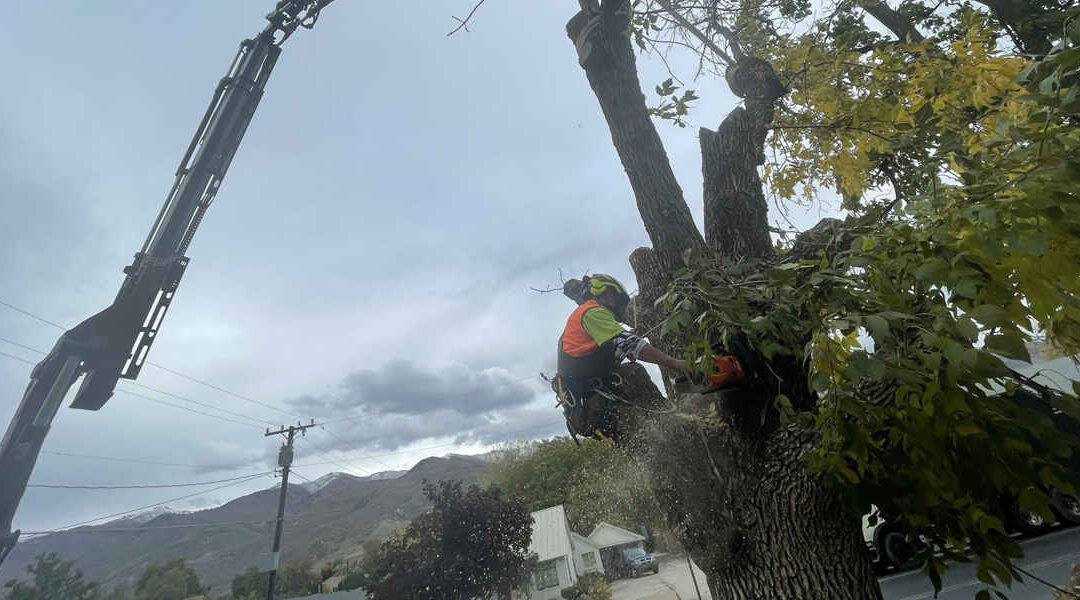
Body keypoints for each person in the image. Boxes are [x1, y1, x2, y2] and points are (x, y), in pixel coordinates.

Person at [553, 273, 688, 441]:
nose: (618, 304)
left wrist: (623, 345)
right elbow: (632, 345)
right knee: (634, 373)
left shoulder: (587, 317)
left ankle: (670, 428)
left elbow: (602, 353)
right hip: (595, 404)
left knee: (632, 373)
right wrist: (677, 363)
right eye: (615, 297)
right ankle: (673, 426)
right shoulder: (591, 312)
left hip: (591, 404)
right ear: (603, 293)